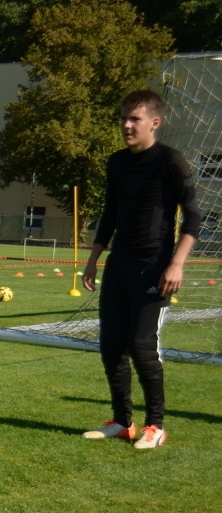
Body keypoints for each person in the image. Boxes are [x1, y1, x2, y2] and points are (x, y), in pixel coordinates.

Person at [81, 90, 200, 449]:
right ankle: (122, 422)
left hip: (155, 269)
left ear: (154, 122)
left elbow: (193, 216)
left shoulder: (170, 161)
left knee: (142, 346)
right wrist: (94, 258)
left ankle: (155, 425)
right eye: (124, 118)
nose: (126, 125)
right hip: (119, 266)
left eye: (134, 119)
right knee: (112, 346)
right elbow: (110, 214)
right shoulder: (116, 162)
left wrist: (176, 264)